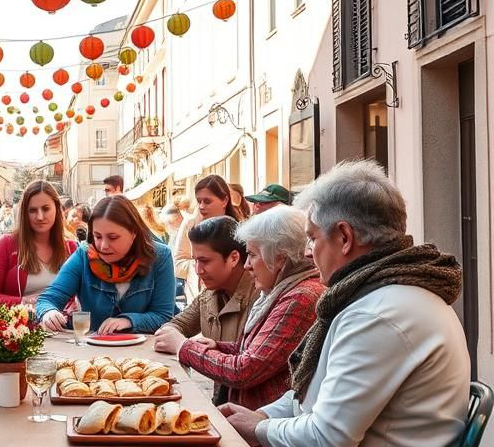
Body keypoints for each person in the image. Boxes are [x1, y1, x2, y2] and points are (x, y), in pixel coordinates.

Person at [221, 160, 470, 447]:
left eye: (312, 238)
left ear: (344, 237)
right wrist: (262, 417)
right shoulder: (382, 294)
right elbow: (313, 397)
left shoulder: (377, 312)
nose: (308, 251)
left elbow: (328, 438)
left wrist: (260, 429)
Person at [179, 207, 324, 410]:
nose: (247, 265)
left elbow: (245, 370)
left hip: (265, 427)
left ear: (280, 258)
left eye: (252, 255)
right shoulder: (280, 290)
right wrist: (217, 346)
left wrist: (185, 348)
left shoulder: (300, 298)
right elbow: (259, 351)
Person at [37, 195, 176, 334]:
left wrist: (128, 321)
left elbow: (163, 316)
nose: (103, 246)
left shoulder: (161, 256)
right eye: (97, 237)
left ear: (134, 233)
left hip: (142, 352)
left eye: (113, 237)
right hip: (93, 351)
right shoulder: (84, 255)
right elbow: (48, 299)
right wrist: (48, 312)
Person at [152, 216, 256, 356]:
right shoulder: (208, 295)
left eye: (204, 261)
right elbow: (176, 326)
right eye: (195, 261)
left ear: (233, 258)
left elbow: (248, 363)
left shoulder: (261, 298)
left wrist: (183, 346)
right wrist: (172, 335)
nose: (197, 270)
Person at [0, 180, 79, 306]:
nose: (40, 216)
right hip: (18, 324)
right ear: (24, 213)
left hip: (62, 325)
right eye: (32, 210)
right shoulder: (6, 244)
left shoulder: (71, 248)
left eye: (46, 209)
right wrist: (23, 302)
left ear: (57, 209)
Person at [174, 175, 242, 302]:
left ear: (224, 200)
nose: (201, 206)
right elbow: (177, 263)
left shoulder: (239, 229)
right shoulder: (190, 224)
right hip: (197, 296)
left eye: (207, 201)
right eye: (199, 201)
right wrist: (200, 263)